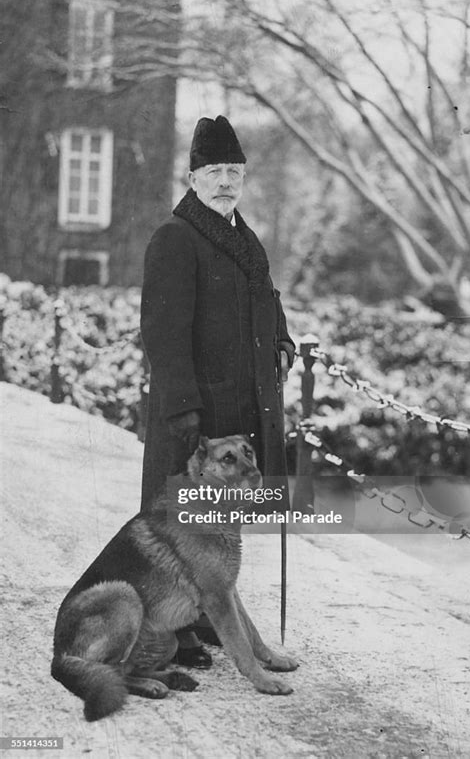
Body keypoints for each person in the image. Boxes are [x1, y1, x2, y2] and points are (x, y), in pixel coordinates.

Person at [140, 115, 295, 667]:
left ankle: (206, 615)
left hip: (239, 408)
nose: (226, 181)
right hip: (194, 414)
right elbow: (162, 330)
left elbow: (269, 307)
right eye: (214, 171)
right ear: (192, 177)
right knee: (178, 522)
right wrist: (181, 407)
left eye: (234, 171)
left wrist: (284, 343)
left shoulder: (245, 240)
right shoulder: (175, 238)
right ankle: (170, 629)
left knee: (219, 521)